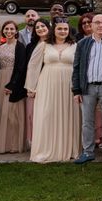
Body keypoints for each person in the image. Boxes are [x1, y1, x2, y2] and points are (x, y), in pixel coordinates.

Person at [25, 19, 81, 162]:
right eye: (59, 29)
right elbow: (33, 66)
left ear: (69, 31)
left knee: (68, 114)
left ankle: (68, 149)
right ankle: (47, 149)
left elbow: (80, 67)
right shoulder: (44, 45)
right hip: (47, 84)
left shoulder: (75, 46)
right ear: (53, 30)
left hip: (69, 85)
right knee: (47, 115)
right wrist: (31, 87)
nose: (62, 31)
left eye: (65, 29)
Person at [72, 14, 102, 164]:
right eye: (97, 23)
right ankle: (88, 151)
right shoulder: (82, 43)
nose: (101, 25)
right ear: (91, 25)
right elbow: (77, 67)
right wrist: (76, 90)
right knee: (87, 121)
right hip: (87, 88)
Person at [0, 21, 27, 153]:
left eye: (12, 29)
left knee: (12, 114)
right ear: (3, 31)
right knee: (0, 112)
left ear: (16, 31)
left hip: (14, 82)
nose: (9, 31)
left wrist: (12, 84)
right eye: (7, 29)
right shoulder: (1, 46)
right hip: (1, 79)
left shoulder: (20, 46)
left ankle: (13, 145)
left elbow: (21, 68)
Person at [24, 18, 50, 148]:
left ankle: (45, 142)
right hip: (31, 85)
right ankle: (34, 143)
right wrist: (30, 86)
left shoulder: (52, 44)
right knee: (31, 115)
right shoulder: (31, 46)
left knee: (45, 115)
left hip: (47, 83)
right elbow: (28, 67)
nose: (40, 29)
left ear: (48, 27)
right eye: (37, 27)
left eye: (43, 26)